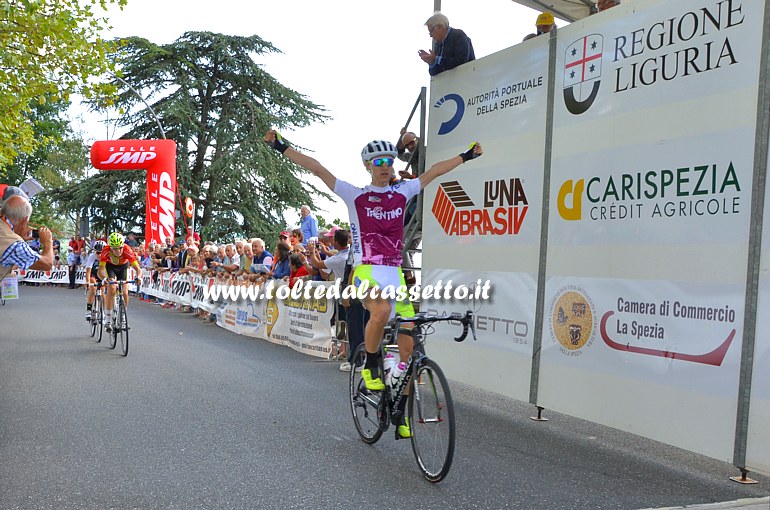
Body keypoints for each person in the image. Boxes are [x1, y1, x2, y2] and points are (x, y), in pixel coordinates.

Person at [264, 129, 483, 438]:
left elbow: (434, 171)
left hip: (394, 273)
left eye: (389, 161)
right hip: (367, 269)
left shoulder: (403, 191)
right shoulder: (355, 195)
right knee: (379, 313)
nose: (385, 166)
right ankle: (370, 362)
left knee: (409, 351)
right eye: (379, 161)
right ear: (368, 165)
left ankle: (400, 411)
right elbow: (316, 168)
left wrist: (466, 155)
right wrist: (280, 146)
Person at [0, 195, 53, 281]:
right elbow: (47, 264)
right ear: (24, 220)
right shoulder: (15, 244)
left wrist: (17, 236)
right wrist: (48, 242)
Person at [97, 232, 142, 332]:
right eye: (114, 248)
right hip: (110, 267)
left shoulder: (127, 249)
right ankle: (108, 319)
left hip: (123, 268)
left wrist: (139, 277)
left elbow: (137, 268)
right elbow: (100, 270)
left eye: (120, 248)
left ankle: (122, 317)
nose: (118, 251)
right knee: (112, 289)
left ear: (123, 245)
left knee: (125, 291)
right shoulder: (106, 250)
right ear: (110, 247)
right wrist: (104, 278)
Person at [84, 241, 105, 321]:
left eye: (101, 253)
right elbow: (88, 270)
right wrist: (87, 282)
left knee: (103, 293)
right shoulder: (92, 256)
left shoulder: (107, 257)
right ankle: (89, 309)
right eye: (98, 253)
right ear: (94, 251)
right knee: (93, 289)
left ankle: (103, 311)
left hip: (103, 276)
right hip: (93, 275)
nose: (99, 255)